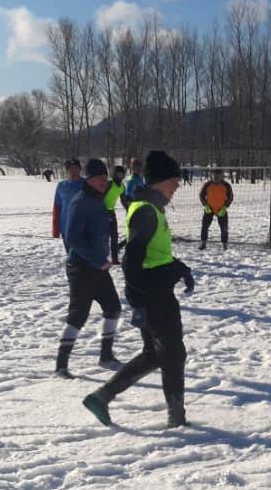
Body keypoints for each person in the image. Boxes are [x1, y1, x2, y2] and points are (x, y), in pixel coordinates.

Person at [83, 150, 195, 428]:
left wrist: (178, 267)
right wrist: (139, 299)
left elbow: (153, 254)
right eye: (173, 182)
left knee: (155, 353)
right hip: (154, 295)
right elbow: (132, 258)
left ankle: (101, 396)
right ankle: (176, 418)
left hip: (154, 291)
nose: (177, 187)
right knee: (173, 353)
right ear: (159, 181)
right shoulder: (146, 210)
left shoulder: (151, 207)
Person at [55, 159, 122, 379]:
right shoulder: (80, 201)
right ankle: (61, 366)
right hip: (81, 268)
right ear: (88, 179)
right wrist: (97, 259)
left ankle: (106, 356)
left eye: (105, 178)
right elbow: (73, 237)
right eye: (99, 179)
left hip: (98, 267)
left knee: (113, 307)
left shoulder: (98, 199)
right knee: (78, 316)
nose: (104, 182)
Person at [199, 168, 234, 251]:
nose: (216, 178)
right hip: (209, 209)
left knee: (224, 228)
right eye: (214, 176)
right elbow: (201, 195)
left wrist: (225, 206)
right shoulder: (207, 184)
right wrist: (205, 205)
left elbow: (230, 197)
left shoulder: (226, 185)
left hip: (221, 209)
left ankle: (225, 245)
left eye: (218, 176)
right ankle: (203, 243)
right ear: (212, 176)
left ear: (221, 176)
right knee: (204, 226)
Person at [51, 158, 85, 242]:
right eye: (71, 168)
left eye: (76, 168)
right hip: (66, 228)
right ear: (67, 170)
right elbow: (57, 208)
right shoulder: (61, 186)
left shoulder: (87, 184)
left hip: (83, 229)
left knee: (82, 254)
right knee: (70, 254)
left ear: (80, 169)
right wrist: (56, 229)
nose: (73, 171)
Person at [104, 164, 127, 264]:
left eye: (122, 174)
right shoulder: (109, 184)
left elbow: (123, 200)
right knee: (103, 236)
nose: (120, 176)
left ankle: (114, 259)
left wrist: (129, 209)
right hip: (101, 212)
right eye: (118, 174)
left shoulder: (122, 186)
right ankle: (102, 258)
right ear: (114, 174)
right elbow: (100, 196)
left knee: (114, 236)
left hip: (111, 212)